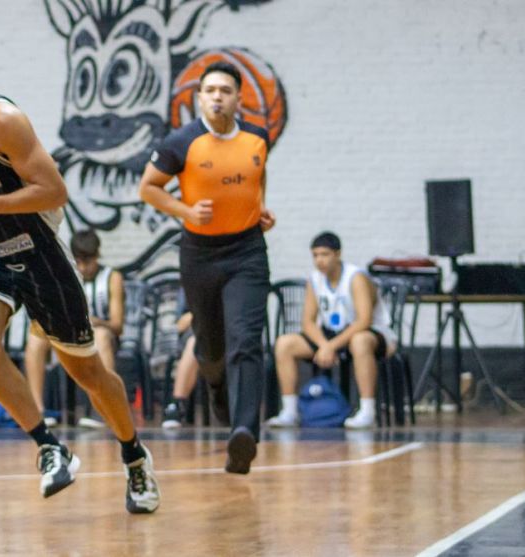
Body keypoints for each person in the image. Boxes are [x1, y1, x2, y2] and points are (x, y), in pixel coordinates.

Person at [0, 24, 159, 513]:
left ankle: (134, 454)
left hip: (37, 251)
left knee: (87, 371)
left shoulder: (1, 120)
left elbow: (54, 191)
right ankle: (48, 445)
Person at [139, 61, 276, 475]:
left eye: (226, 91)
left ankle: (244, 432)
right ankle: (218, 393)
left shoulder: (257, 137)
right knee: (211, 349)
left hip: (247, 251)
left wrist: (259, 208)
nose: (218, 97)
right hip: (199, 255)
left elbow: (257, 175)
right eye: (211, 90)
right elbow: (148, 188)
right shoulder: (181, 142)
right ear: (200, 98)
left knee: (246, 339)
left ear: (238, 99)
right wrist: (184, 211)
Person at [266, 232, 396, 429]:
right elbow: (307, 322)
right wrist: (324, 345)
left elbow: (364, 320)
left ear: (338, 254)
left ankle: (367, 411)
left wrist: (331, 346)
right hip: (332, 334)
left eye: (325, 254)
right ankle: (290, 411)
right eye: (315, 255)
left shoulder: (356, 277)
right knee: (285, 344)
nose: (319, 260)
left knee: (359, 341)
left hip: (370, 333)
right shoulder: (315, 279)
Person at [24, 229, 124, 428]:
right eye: (79, 262)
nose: (84, 268)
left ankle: (103, 411)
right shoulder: (63, 275)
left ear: (97, 255)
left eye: (88, 262)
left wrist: (95, 322)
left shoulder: (112, 277)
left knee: (102, 336)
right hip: (69, 331)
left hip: (100, 333)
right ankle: (38, 411)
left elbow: (117, 325)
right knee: (36, 339)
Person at [162, 291, 199, 429]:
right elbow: (180, 325)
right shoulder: (191, 285)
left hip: (227, 337)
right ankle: (177, 404)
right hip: (198, 335)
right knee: (196, 342)